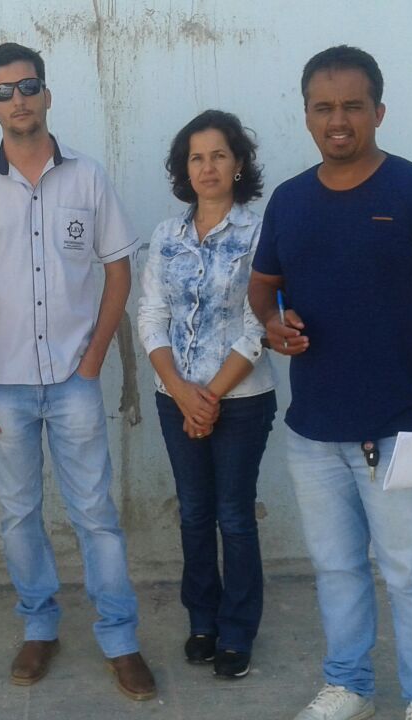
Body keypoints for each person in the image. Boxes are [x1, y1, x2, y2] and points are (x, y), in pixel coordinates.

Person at [249, 46, 412, 720]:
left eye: (352, 106)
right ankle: (349, 685)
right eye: (324, 107)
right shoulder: (290, 200)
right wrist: (273, 324)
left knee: (411, 576)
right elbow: (262, 287)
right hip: (314, 431)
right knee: (338, 570)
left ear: (378, 111)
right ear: (306, 116)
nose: (338, 120)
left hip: (402, 427)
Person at [0, 43, 155, 701]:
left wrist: (94, 356)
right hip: (2, 387)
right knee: (18, 515)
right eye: (3, 91)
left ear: (47, 95)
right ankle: (39, 625)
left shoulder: (88, 177)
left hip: (74, 382)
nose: (18, 99)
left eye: (28, 86)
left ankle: (120, 638)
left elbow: (118, 270)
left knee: (96, 515)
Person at [136, 109, 276, 680]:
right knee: (194, 513)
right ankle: (203, 621)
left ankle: (237, 632)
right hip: (174, 398)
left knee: (234, 516)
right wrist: (180, 391)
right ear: (184, 168)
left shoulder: (260, 233)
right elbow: (151, 315)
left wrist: (208, 397)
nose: (208, 166)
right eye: (197, 157)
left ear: (238, 163)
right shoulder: (166, 236)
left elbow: (260, 325)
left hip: (242, 401)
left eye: (219, 155)